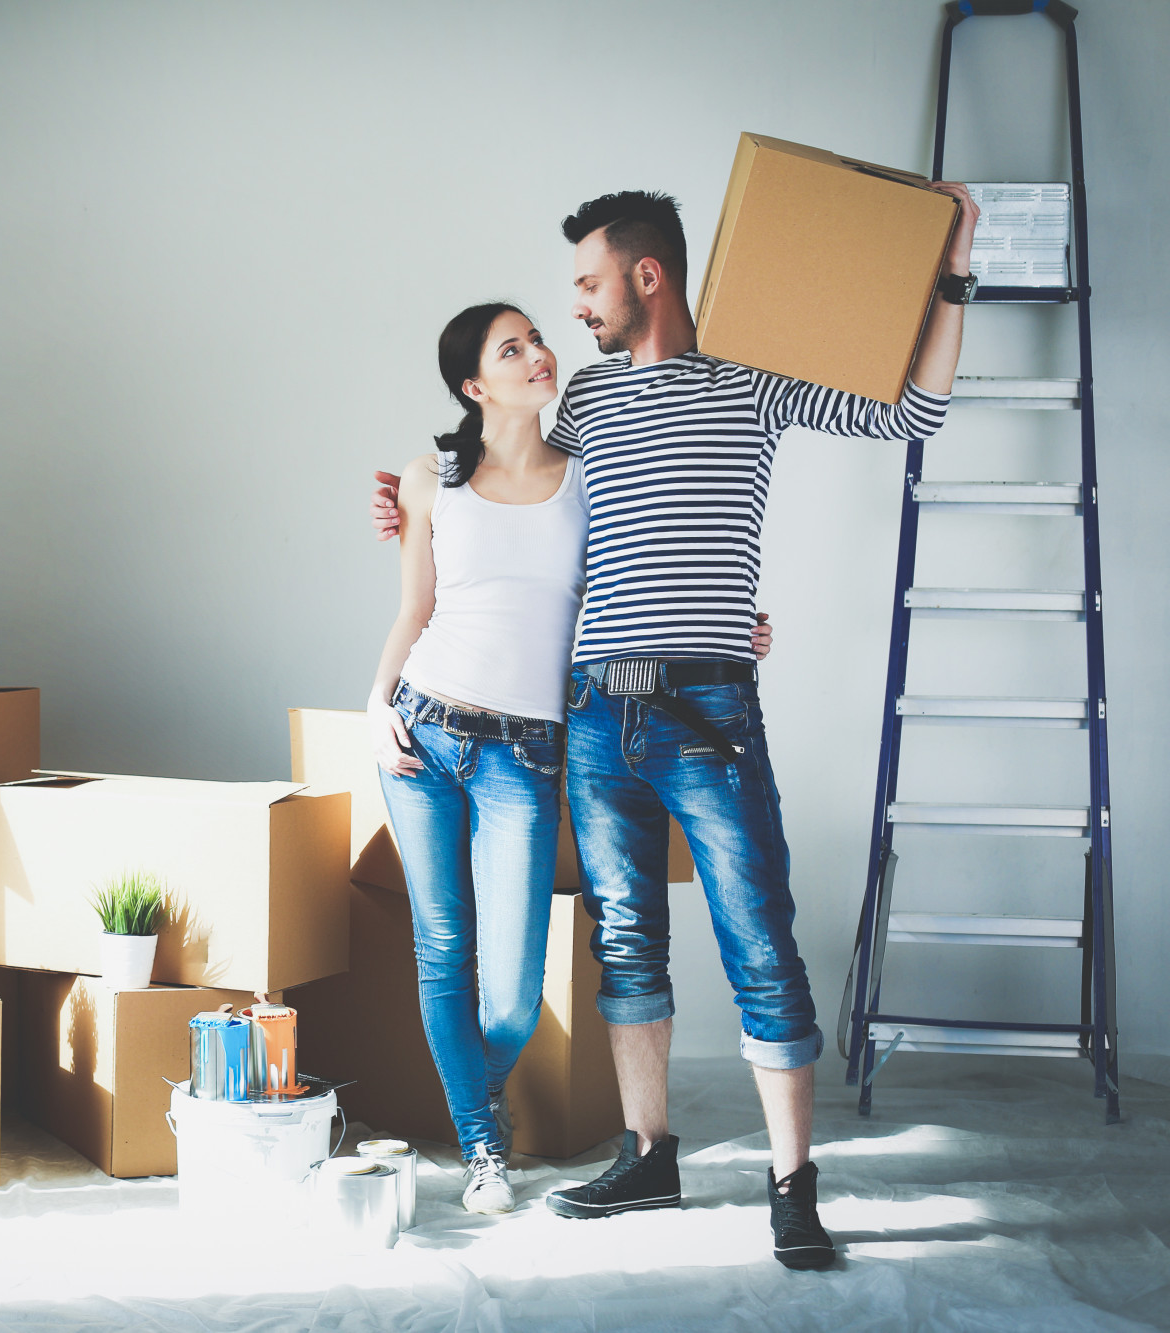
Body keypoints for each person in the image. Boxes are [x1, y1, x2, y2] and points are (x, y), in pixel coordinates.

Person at [370, 184, 978, 1267]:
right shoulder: (586, 403)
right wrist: (409, 502)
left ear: (644, 277)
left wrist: (953, 269)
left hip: (705, 705)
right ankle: (648, 1154)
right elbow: (502, 483)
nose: (576, 310)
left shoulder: (752, 382)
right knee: (625, 944)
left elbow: (910, 416)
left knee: (757, 939)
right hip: (593, 710)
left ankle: (792, 1181)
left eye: (588, 284)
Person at [368, 301, 772, 1216]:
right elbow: (414, 608)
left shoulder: (592, 475)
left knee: (509, 997)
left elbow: (658, 569)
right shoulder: (434, 477)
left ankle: (467, 1090)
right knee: (443, 953)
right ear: (476, 386)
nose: (539, 354)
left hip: (526, 751)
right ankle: (482, 1145)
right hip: (423, 729)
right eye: (512, 350)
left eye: (537, 339)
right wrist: (373, 703)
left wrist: (726, 622)